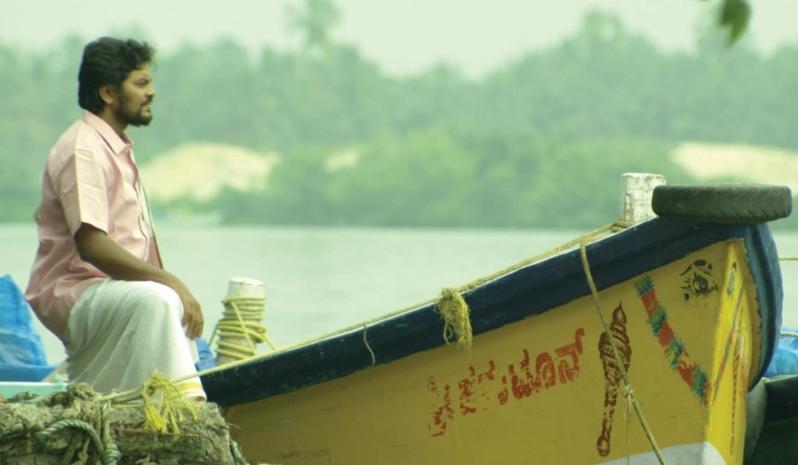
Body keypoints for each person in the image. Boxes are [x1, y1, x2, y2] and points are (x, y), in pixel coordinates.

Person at [25, 37, 205, 399]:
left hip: (108, 292)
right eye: (141, 83)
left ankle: (153, 402)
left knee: (167, 306)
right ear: (108, 93)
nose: (152, 92)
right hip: (78, 291)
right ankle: (185, 409)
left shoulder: (114, 147)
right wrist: (173, 282)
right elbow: (92, 245)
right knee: (159, 298)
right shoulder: (83, 148)